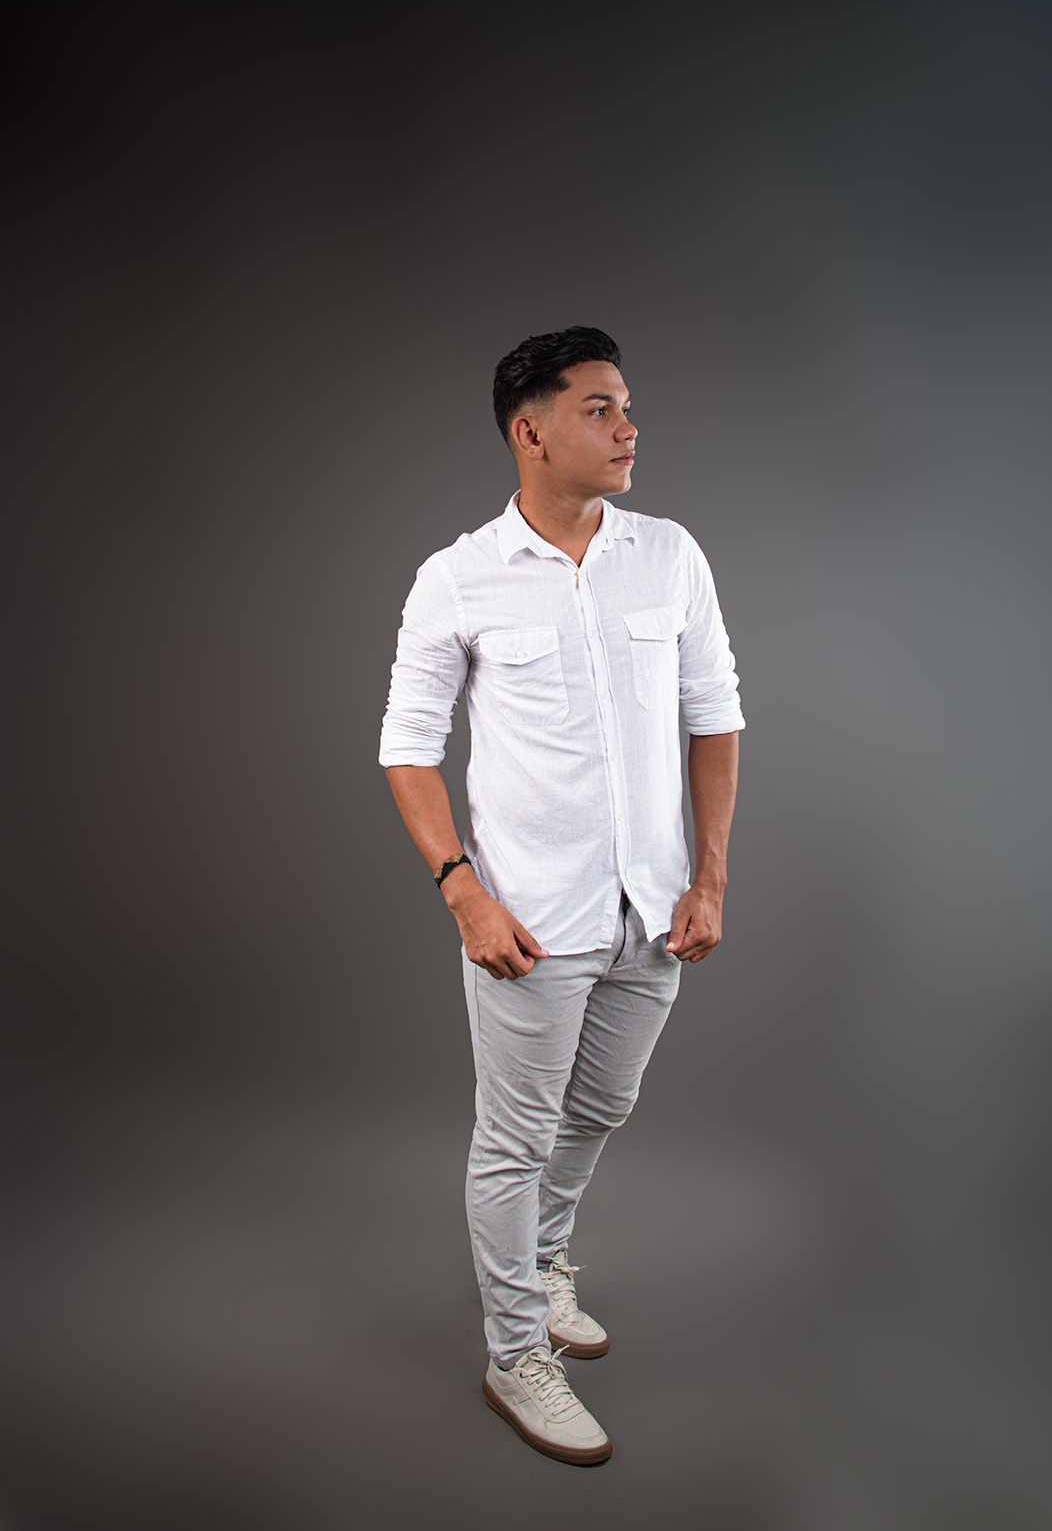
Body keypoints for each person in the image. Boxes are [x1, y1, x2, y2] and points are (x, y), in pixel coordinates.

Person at [378, 326, 745, 1465]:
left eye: (627, 406)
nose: (630, 427)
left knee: (602, 1110)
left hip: (654, 914)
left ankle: (541, 1267)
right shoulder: (457, 577)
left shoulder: (669, 555)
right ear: (530, 432)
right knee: (514, 1139)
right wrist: (464, 893)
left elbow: (715, 715)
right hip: (530, 924)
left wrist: (708, 876)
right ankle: (512, 1354)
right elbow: (406, 746)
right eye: (601, 408)